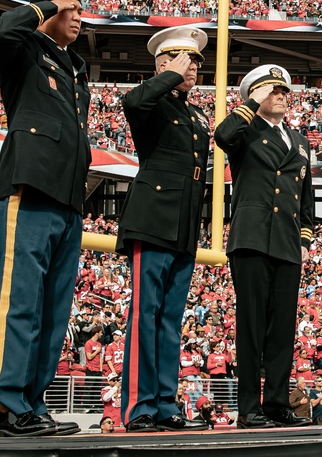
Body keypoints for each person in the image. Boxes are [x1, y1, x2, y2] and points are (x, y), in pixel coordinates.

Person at [0, 0, 88, 437]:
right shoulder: (24, 47)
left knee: (53, 311)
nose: (79, 16)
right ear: (52, 9)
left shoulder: (74, 67)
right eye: (72, 7)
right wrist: (44, 5)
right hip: (30, 184)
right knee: (21, 301)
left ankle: (34, 402)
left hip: (67, 196)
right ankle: (9, 405)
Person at [117, 27, 210, 433]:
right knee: (146, 315)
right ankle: (140, 406)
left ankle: (166, 403)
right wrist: (169, 75)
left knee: (171, 319)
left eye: (195, 63)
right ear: (163, 65)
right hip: (153, 219)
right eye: (186, 60)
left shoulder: (194, 115)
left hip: (183, 224)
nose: (193, 68)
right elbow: (133, 100)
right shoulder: (151, 103)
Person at [214, 64, 313, 429]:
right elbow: (222, 136)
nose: (281, 96)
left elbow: (306, 201)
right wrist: (249, 106)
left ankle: (275, 403)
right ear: (254, 95)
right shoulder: (246, 130)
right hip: (253, 237)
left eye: (284, 91)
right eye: (273, 90)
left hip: (287, 243)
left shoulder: (300, 141)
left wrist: (303, 239)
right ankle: (248, 408)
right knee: (252, 327)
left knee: (282, 330)